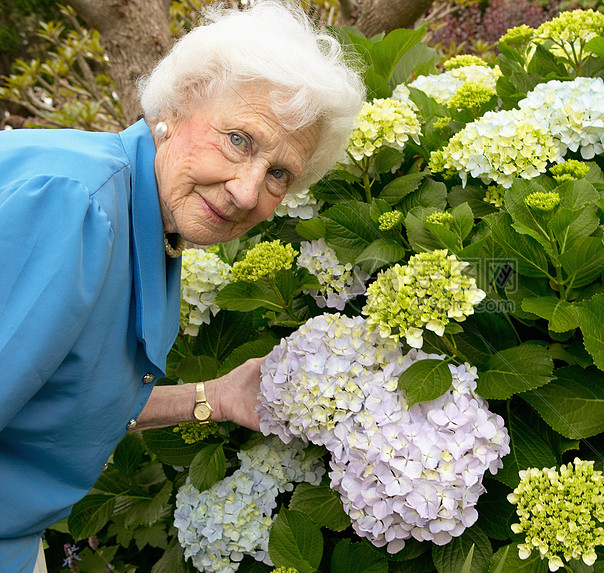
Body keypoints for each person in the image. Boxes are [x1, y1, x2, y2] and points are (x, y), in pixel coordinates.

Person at [0, 2, 365, 571]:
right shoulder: (75, 208)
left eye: (279, 174)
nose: (247, 192)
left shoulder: (151, 224)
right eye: (240, 140)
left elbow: (64, 398)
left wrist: (215, 398)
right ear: (176, 105)